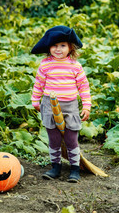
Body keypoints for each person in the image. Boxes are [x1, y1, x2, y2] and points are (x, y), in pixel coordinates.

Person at [31, 25, 91, 183]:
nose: (58, 49)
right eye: (54, 46)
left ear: (70, 47)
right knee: (54, 139)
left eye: (62, 45)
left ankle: (75, 169)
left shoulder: (75, 66)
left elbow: (83, 87)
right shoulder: (45, 64)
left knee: (71, 139)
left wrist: (86, 106)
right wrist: (35, 101)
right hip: (49, 105)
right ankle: (55, 167)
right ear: (48, 47)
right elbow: (39, 84)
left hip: (70, 106)